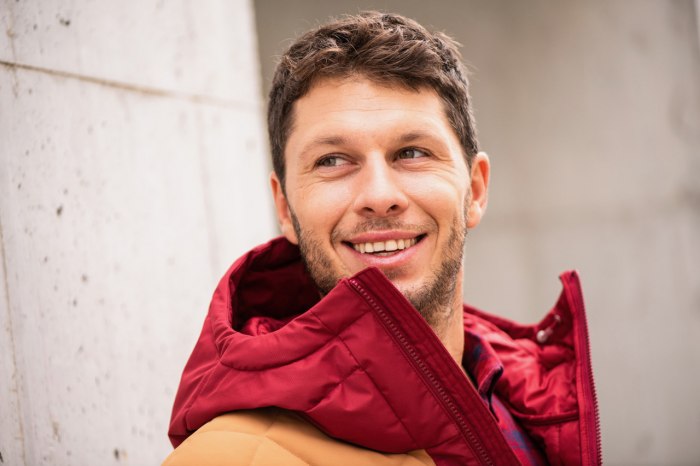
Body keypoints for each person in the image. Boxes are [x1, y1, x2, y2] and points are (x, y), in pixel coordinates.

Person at [164, 12, 600, 466]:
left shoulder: (530, 411)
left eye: (412, 153)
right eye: (333, 160)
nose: (379, 196)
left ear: (475, 190)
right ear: (285, 208)